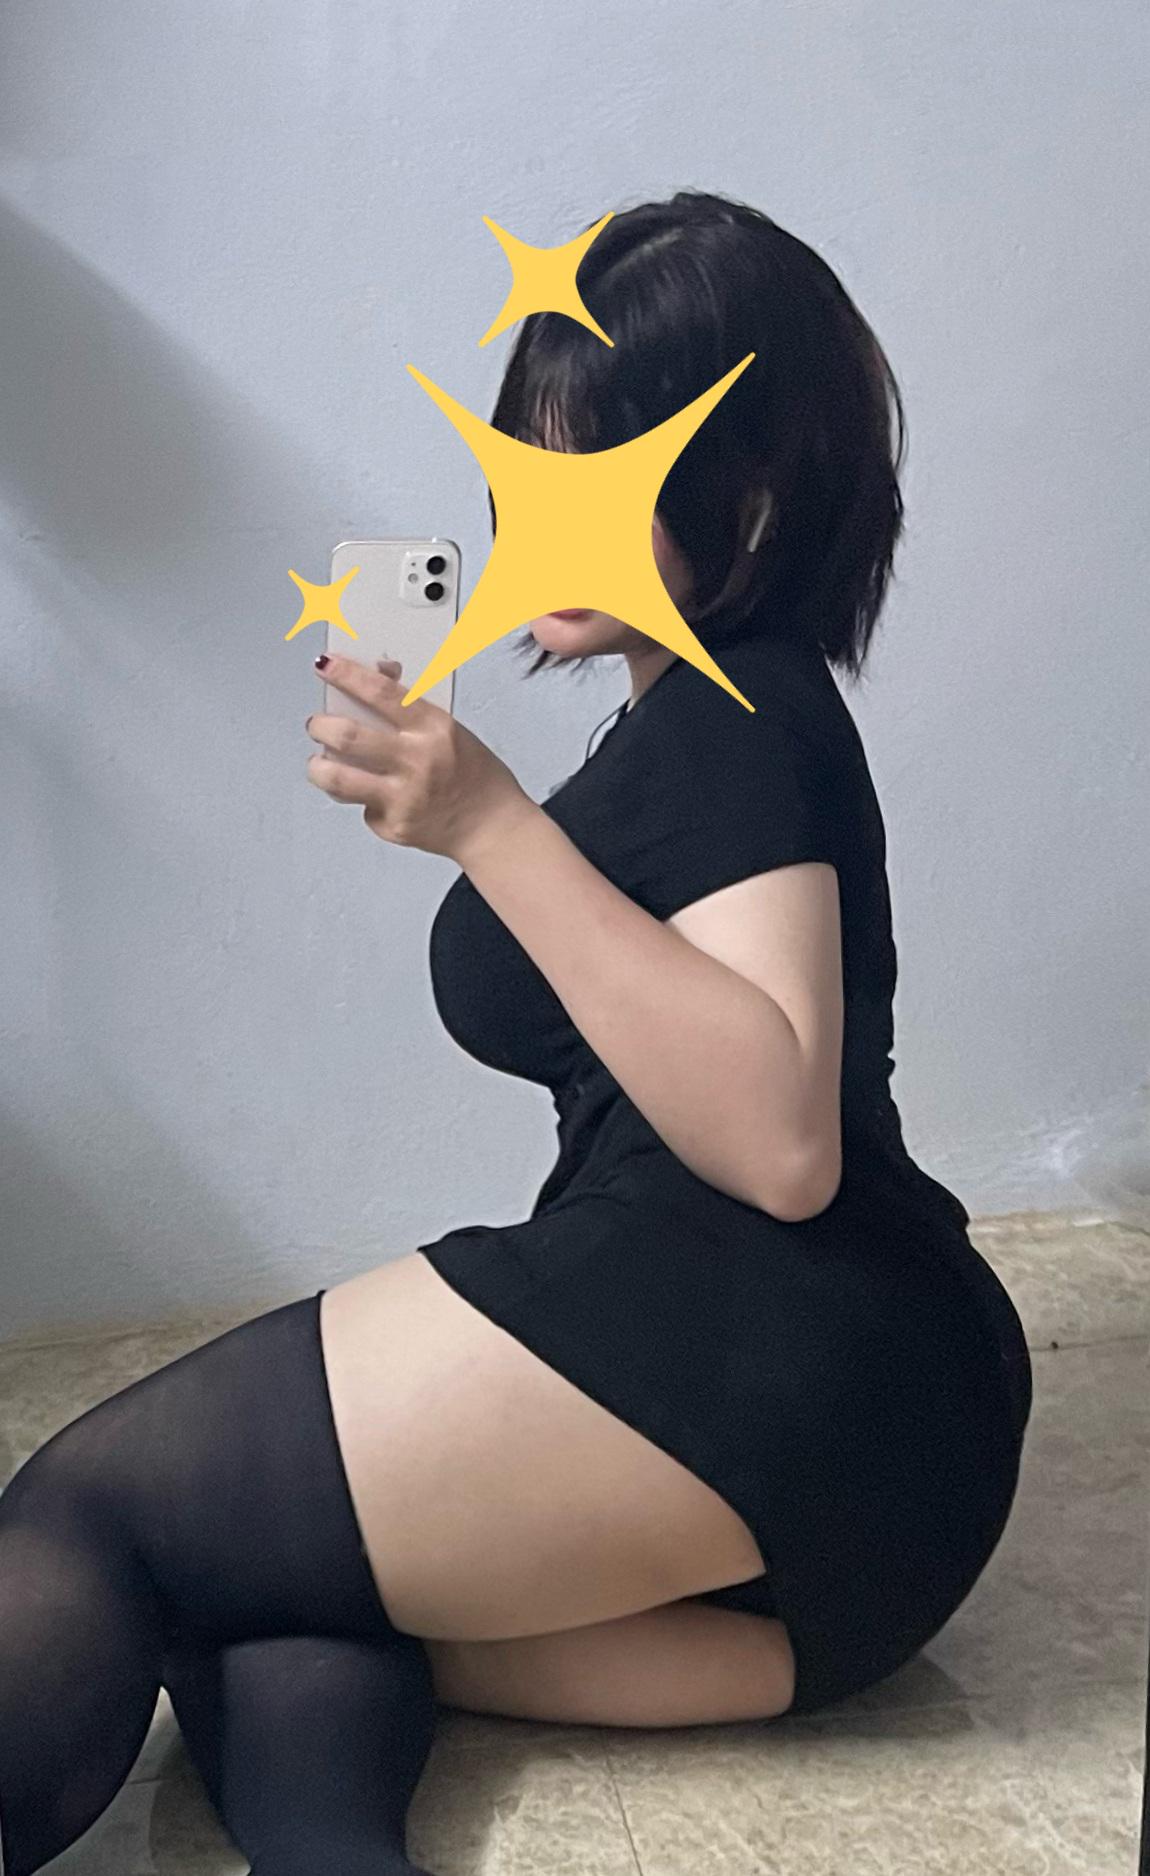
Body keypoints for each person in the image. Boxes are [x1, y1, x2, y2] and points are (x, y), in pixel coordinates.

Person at [0, 189, 1033, 1874]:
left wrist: (490, 825)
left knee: (93, 1510)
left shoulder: (739, 714)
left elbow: (779, 1147)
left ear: (751, 495)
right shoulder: (701, 716)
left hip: (780, 1366)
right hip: (849, 1506)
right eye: (528, 473)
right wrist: (490, 825)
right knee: (259, 1589)